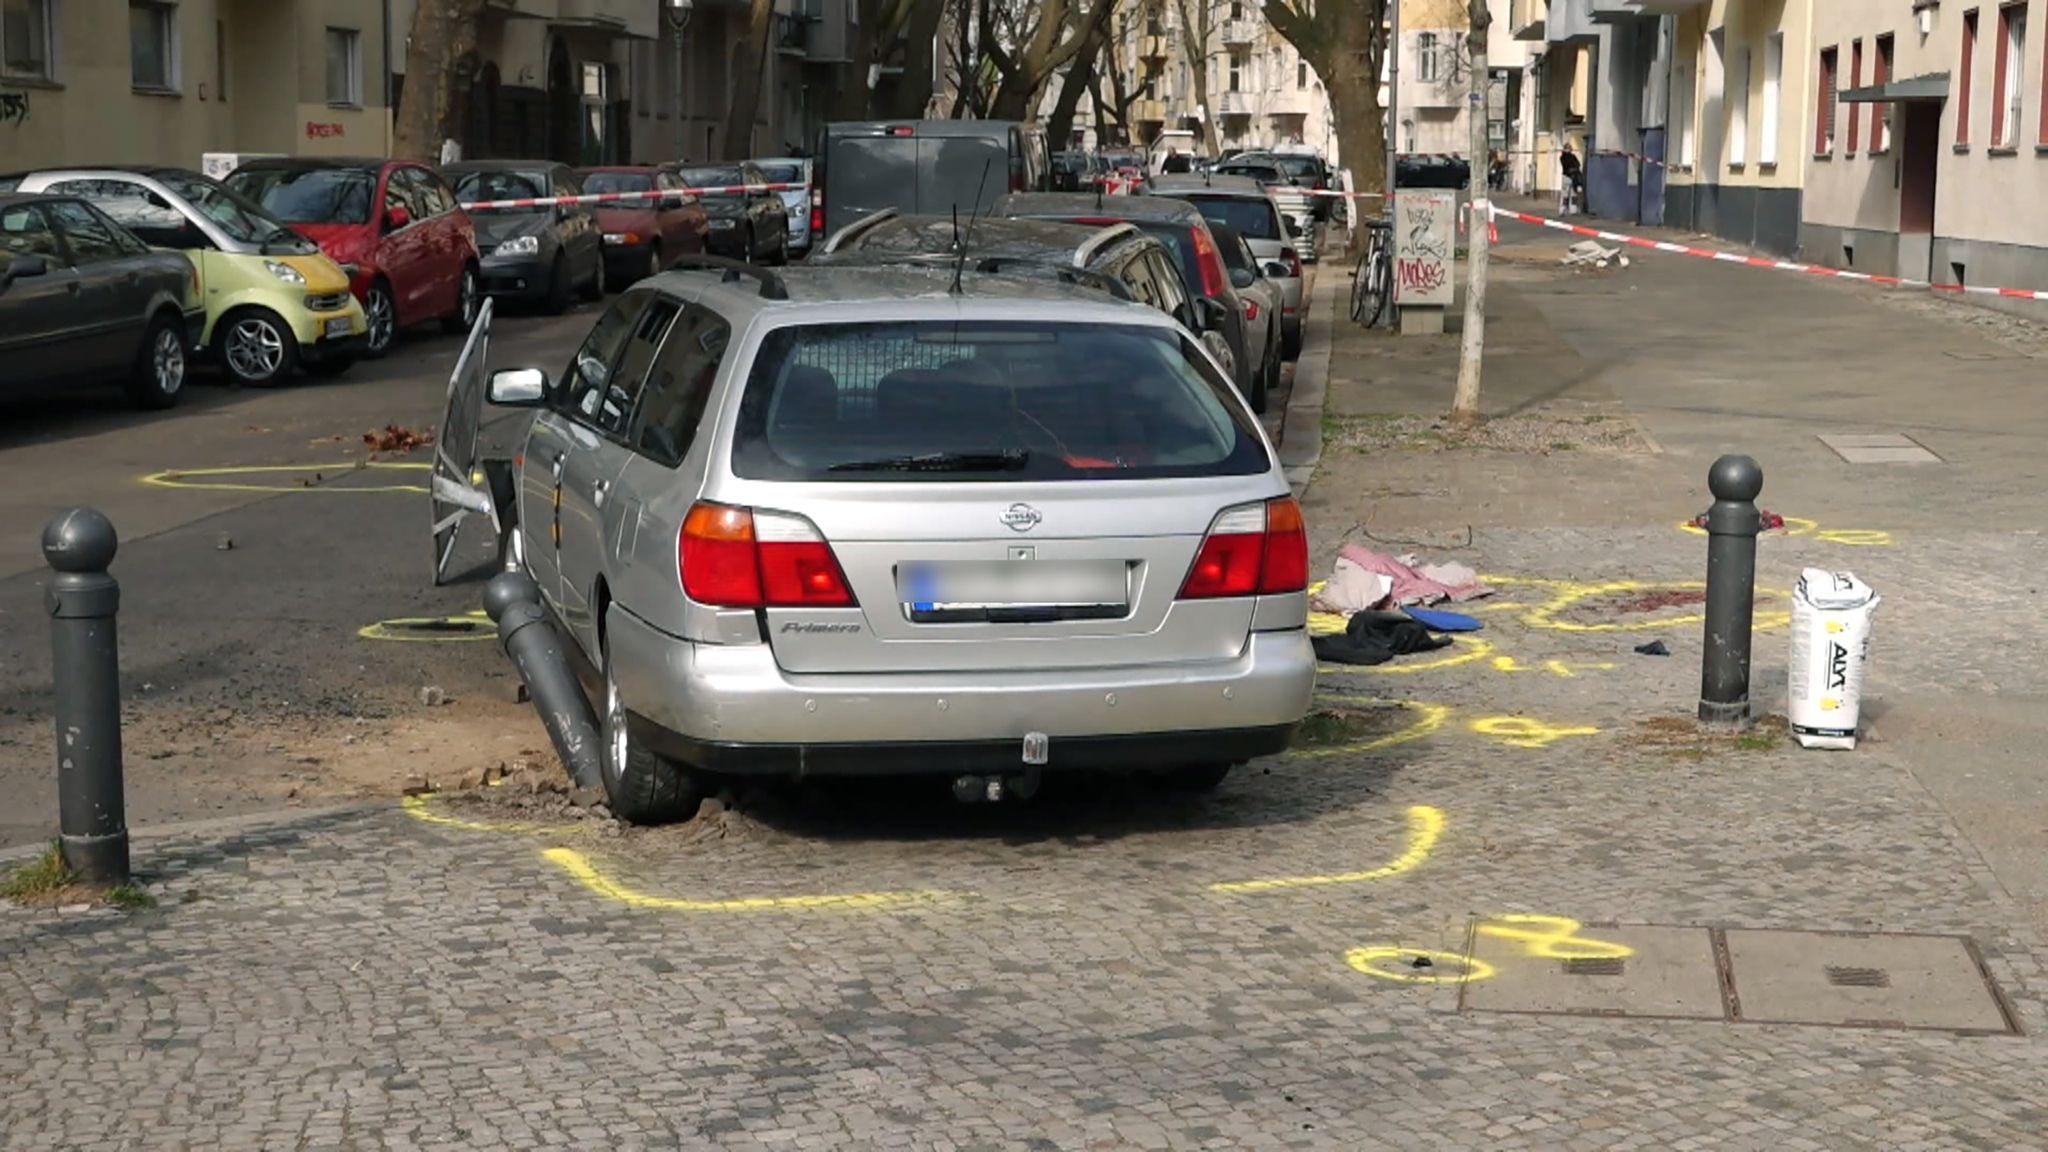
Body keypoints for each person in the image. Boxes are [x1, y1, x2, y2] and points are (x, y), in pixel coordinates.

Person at [1559, 143, 1586, 213]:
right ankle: (1565, 208)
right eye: (1568, 147)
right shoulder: (1564, 157)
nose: (1570, 149)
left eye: (1570, 147)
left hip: (1572, 177)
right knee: (1567, 194)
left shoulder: (1569, 156)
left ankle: (1571, 208)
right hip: (1567, 177)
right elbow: (1569, 165)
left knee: (1572, 193)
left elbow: (1577, 164)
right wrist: (1574, 168)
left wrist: (1574, 168)